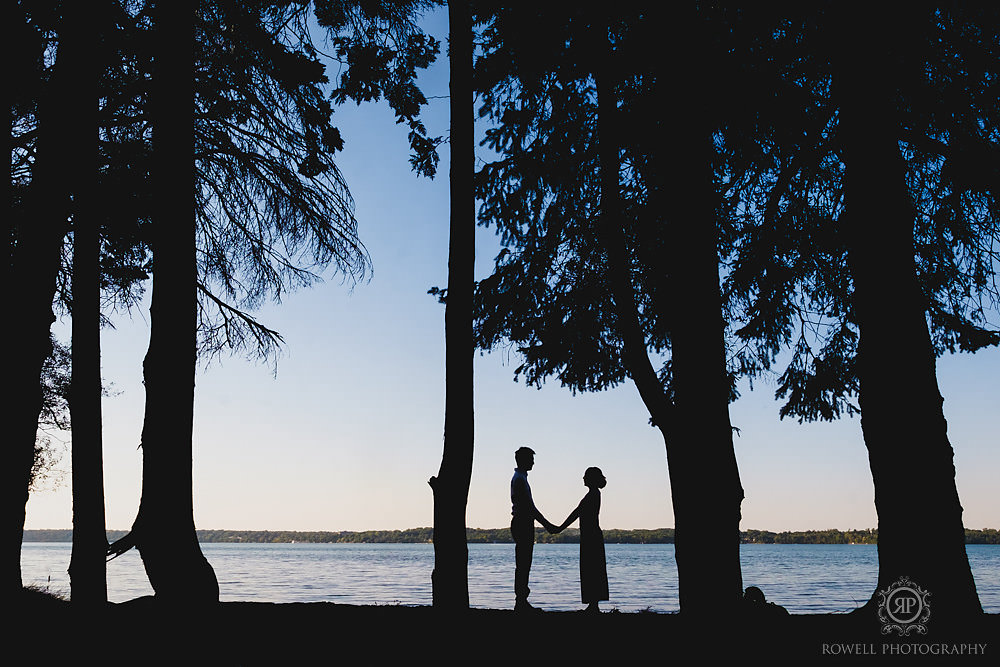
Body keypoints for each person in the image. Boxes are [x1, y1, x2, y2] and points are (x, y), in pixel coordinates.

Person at [555, 466, 609, 613]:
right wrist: (560, 528)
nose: (583, 478)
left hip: (591, 536)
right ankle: (593, 604)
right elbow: (577, 513)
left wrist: (559, 528)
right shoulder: (593, 494)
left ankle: (593, 605)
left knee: (591, 568)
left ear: (591, 478)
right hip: (591, 535)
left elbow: (576, 513)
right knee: (592, 569)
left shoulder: (592, 495)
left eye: (585, 476)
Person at [511, 446, 558, 612]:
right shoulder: (520, 479)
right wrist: (548, 525)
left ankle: (522, 600)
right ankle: (521, 602)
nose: (533, 462)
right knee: (523, 563)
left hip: (522, 522)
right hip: (522, 523)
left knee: (524, 563)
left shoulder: (521, 477)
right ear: (523, 460)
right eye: (531, 459)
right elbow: (530, 508)